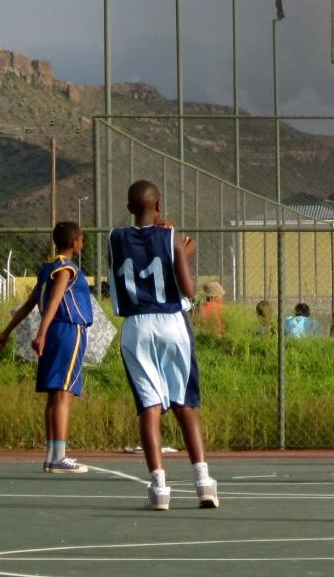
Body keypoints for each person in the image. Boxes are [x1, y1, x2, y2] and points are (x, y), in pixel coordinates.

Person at [110, 180, 218, 510]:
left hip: (136, 327)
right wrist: (183, 255)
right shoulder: (170, 236)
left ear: (129, 208)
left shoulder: (114, 238)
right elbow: (187, 289)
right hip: (171, 322)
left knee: (149, 407)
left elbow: (135, 259)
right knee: (185, 403)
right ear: (159, 207)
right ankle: (204, 483)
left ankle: (159, 488)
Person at [0, 221, 96, 475]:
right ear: (74, 243)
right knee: (63, 393)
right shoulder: (65, 269)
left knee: (54, 394)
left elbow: (28, 305)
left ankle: (51, 455)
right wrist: (41, 332)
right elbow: (55, 300)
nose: (82, 243)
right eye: (81, 239)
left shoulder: (47, 268)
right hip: (67, 330)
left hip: (54, 332)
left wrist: (6, 332)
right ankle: (59, 456)